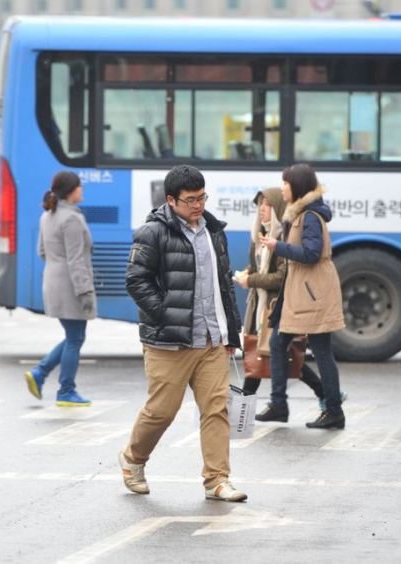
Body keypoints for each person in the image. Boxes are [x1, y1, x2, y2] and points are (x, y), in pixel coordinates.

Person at [118, 164, 247, 502]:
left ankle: (217, 480)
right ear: (171, 200)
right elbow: (136, 280)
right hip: (168, 341)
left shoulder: (213, 230)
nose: (198, 205)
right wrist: (164, 314)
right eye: (191, 200)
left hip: (211, 339)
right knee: (162, 411)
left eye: (202, 197)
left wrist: (231, 333)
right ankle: (133, 459)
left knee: (216, 409)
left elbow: (223, 285)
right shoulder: (153, 232)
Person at [235, 188, 345, 410]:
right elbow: (257, 265)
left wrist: (252, 280)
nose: (262, 210)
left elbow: (281, 277)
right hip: (261, 304)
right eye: (260, 205)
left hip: (279, 304)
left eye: (267, 205)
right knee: (268, 351)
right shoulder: (260, 235)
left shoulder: (281, 238)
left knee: (275, 352)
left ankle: (247, 408)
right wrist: (248, 273)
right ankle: (262, 406)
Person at [256, 163, 346, 429]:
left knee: (320, 351)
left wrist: (277, 246)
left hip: (312, 291)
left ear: (297, 186)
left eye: (285, 183)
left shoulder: (310, 216)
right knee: (277, 342)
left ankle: (333, 410)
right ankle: (279, 404)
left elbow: (311, 253)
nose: (282, 187)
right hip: (300, 289)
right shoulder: (299, 214)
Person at [24, 171, 95, 407]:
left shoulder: (48, 215)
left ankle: (40, 373)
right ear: (71, 191)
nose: (82, 190)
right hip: (70, 285)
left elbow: (42, 252)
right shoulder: (71, 219)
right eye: (79, 187)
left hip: (53, 280)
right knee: (76, 338)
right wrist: (84, 290)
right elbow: (76, 260)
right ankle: (65, 389)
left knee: (72, 336)